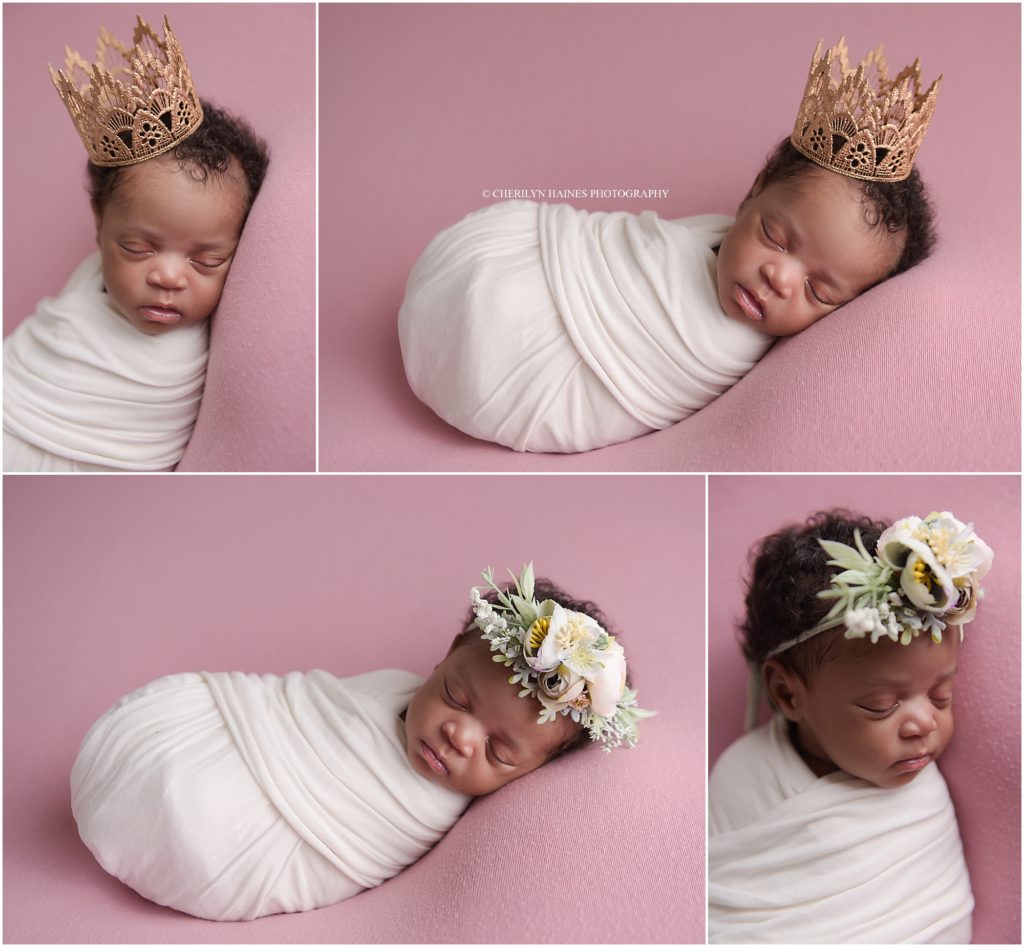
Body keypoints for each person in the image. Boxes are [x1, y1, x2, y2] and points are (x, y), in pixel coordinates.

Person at [398, 38, 940, 453]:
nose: (779, 277)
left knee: (491, 326)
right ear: (751, 196)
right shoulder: (700, 235)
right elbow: (615, 242)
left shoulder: (718, 352)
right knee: (490, 273)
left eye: (817, 291)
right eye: (774, 236)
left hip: (519, 376)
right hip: (529, 262)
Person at [70, 564, 652, 920]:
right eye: (455, 696)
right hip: (244, 733)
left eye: (499, 753)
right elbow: (286, 704)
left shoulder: (430, 810)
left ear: (527, 773)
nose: (458, 735)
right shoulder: (390, 689)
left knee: (198, 822)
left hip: (245, 839)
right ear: (445, 658)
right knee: (162, 726)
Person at [708, 510, 992, 943]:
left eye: (941, 696)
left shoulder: (921, 802)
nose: (923, 722)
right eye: (880, 706)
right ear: (788, 694)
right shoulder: (743, 776)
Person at [3, 15, 268, 472]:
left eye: (207, 260)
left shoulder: (187, 365)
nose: (166, 276)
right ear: (100, 224)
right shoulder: (86, 286)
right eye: (138, 249)